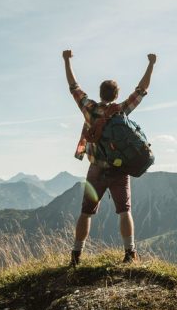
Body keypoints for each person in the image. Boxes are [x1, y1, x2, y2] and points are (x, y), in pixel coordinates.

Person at [63, 49, 156, 265]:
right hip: (119, 170)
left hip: (95, 169)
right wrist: (151, 64)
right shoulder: (120, 111)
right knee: (125, 211)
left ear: (100, 92)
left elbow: (73, 87)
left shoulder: (89, 109)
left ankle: (76, 255)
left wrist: (67, 60)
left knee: (86, 213)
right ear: (115, 95)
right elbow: (141, 90)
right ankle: (129, 253)